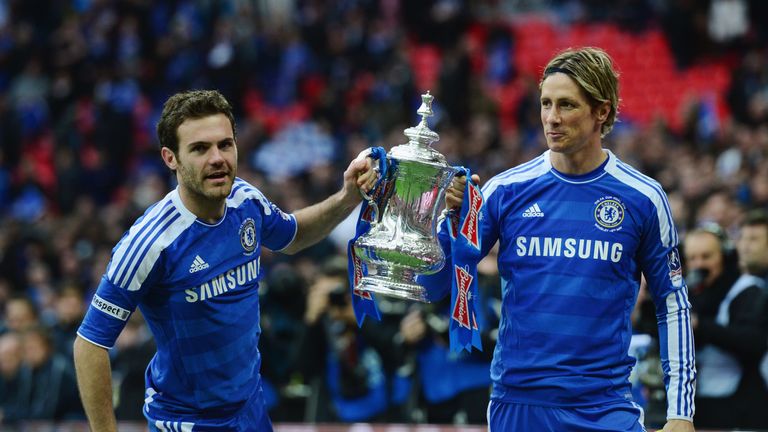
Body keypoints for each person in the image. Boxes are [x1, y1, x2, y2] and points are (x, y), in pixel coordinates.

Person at [73, 89, 377, 432]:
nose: (217, 158)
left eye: (225, 144)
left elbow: (292, 236)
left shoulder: (246, 200)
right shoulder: (150, 243)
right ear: (170, 158)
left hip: (251, 410)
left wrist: (348, 196)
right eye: (200, 149)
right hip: (190, 422)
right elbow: (90, 344)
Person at [428, 47, 696, 431]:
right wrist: (449, 221)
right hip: (519, 405)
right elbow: (439, 284)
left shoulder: (643, 198)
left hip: (604, 407)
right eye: (546, 104)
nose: (551, 119)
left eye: (567, 105)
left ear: (601, 111)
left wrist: (680, 411)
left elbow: (673, 304)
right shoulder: (505, 190)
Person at [683, 222, 768, 429]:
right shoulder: (688, 292)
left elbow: (753, 342)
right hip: (697, 403)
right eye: (692, 258)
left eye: (706, 256)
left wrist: (700, 325)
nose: (698, 265)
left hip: (740, 405)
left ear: (725, 256)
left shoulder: (748, 290)